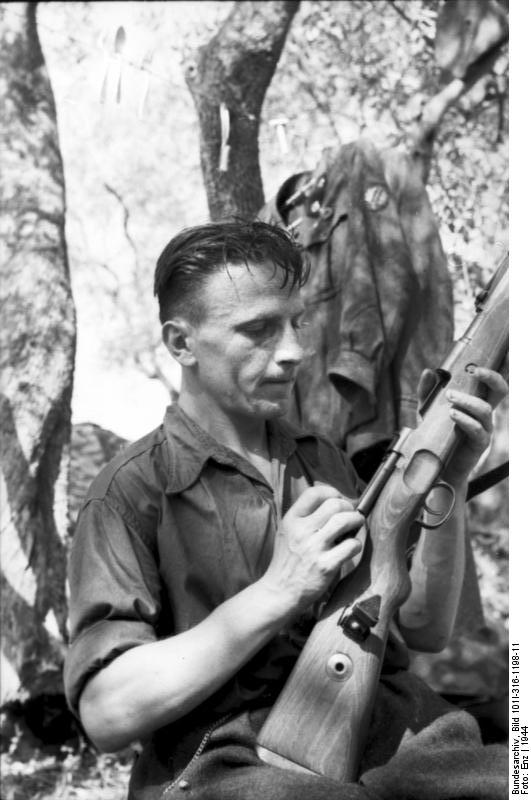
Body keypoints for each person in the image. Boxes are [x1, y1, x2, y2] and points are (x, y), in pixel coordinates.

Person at [64, 219, 508, 800]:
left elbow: (423, 629)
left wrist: (448, 474)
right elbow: (107, 713)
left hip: (396, 737)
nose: (295, 351)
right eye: (258, 330)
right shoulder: (131, 490)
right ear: (181, 344)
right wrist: (281, 589)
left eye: (297, 323)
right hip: (224, 763)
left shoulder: (324, 459)